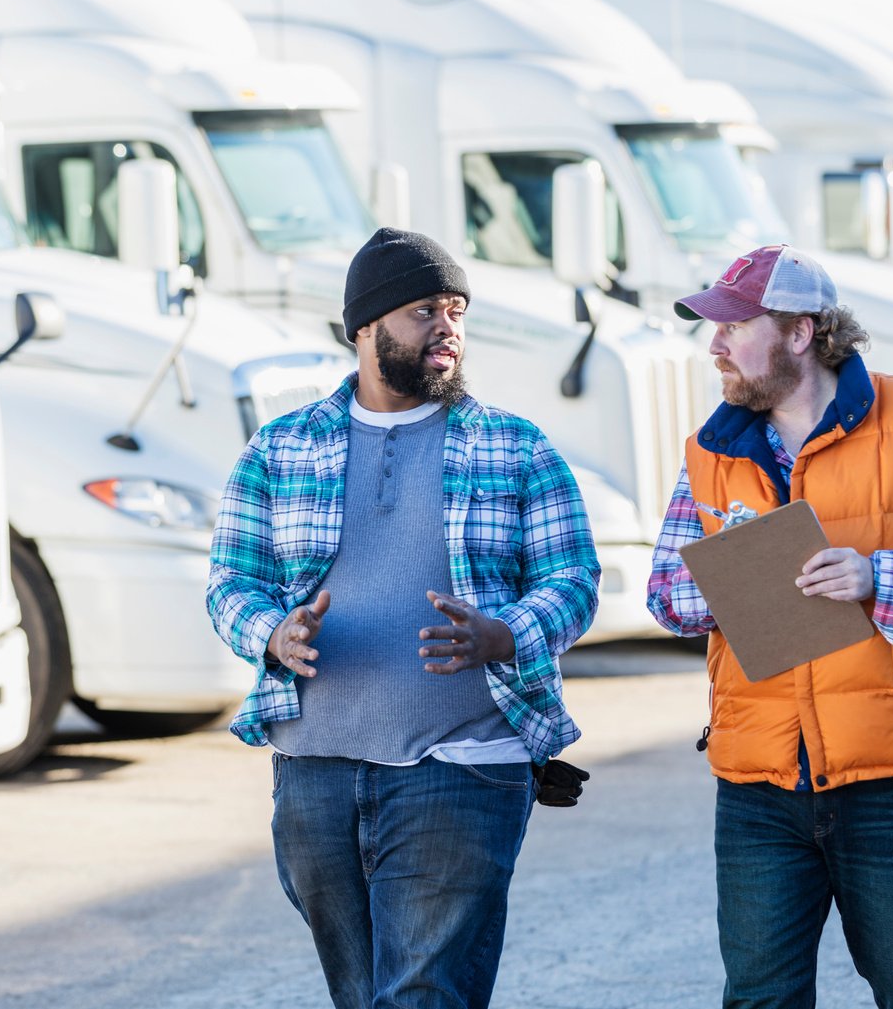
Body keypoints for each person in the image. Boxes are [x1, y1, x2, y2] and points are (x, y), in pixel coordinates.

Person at [206, 227, 600, 1009]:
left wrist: (505, 633)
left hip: (461, 767)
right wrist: (272, 634)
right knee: (363, 995)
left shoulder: (515, 446)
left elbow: (573, 578)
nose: (448, 327)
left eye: (456, 310)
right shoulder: (279, 450)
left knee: (419, 995)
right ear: (366, 327)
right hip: (313, 771)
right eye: (425, 310)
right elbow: (230, 583)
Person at [646, 244, 893, 1009]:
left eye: (733, 326)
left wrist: (881, 574)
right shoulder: (710, 449)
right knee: (759, 1000)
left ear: (800, 332)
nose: (713, 345)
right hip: (759, 784)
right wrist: (727, 581)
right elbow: (665, 595)